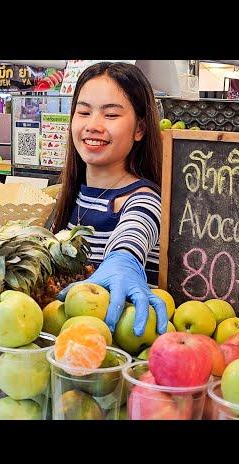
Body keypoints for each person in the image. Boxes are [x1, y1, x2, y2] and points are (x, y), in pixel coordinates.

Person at [52, 61, 168, 337]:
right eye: (83, 112)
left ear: (140, 128)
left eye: (111, 115)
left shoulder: (143, 198)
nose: (93, 126)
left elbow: (136, 230)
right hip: (69, 352)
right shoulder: (71, 197)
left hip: (119, 354)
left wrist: (123, 259)